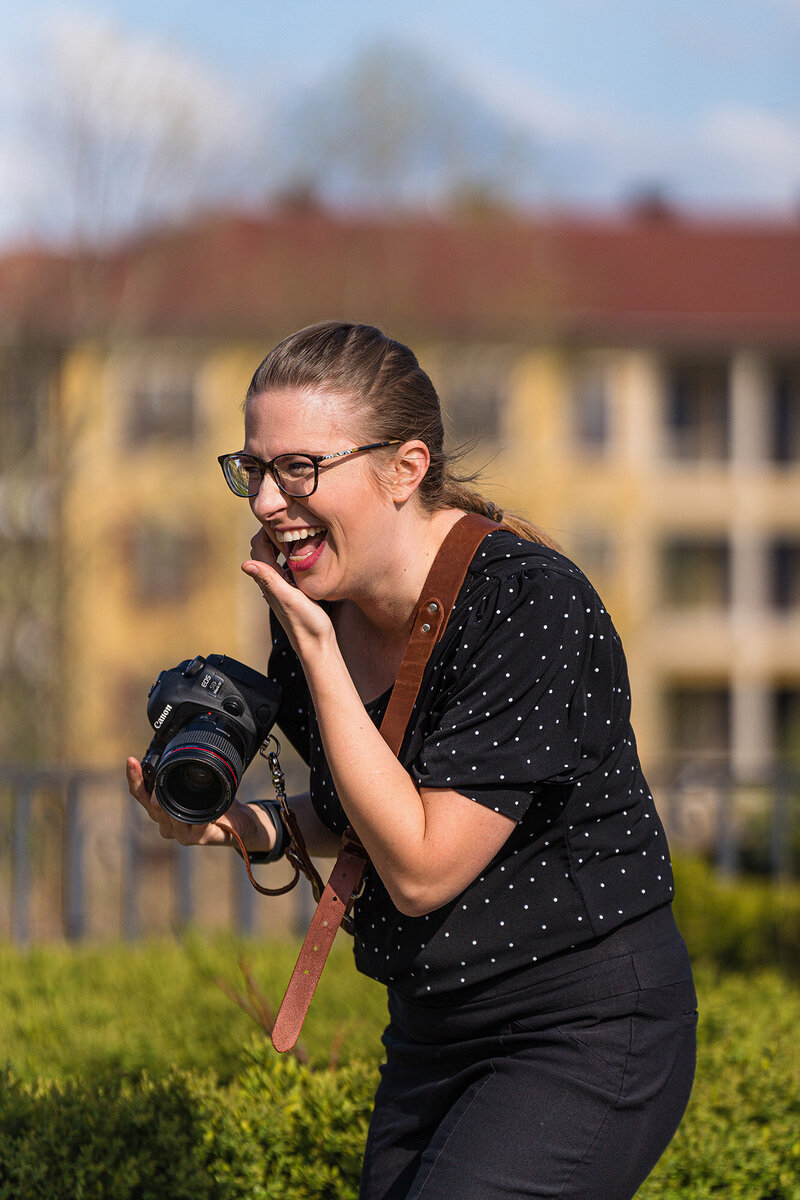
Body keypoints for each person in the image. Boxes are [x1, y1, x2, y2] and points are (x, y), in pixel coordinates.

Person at [127, 321, 697, 1200]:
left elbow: (426, 865)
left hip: (582, 1025)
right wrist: (236, 826)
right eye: (255, 469)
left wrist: (315, 654)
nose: (267, 504)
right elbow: (375, 807)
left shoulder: (527, 603)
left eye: (300, 468)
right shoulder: (324, 610)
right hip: (430, 1030)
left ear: (406, 468)